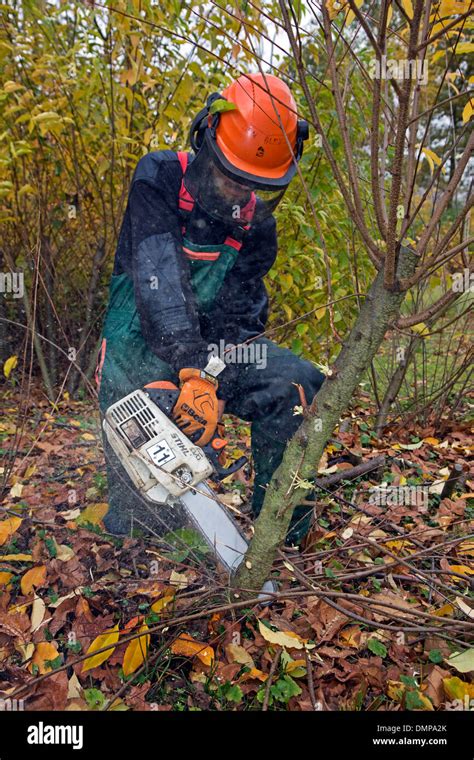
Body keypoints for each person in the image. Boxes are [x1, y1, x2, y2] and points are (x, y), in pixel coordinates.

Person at [95, 72, 324, 545]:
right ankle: (139, 541)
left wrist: (214, 382)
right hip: (139, 348)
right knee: (146, 522)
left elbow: (241, 318)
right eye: (230, 175)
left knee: (296, 383)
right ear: (207, 144)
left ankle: (279, 531)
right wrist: (192, 374)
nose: (238, 192)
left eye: (251, 183)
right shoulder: (157, 177)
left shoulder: (256, 225)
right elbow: (160, 285)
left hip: (212, 354)